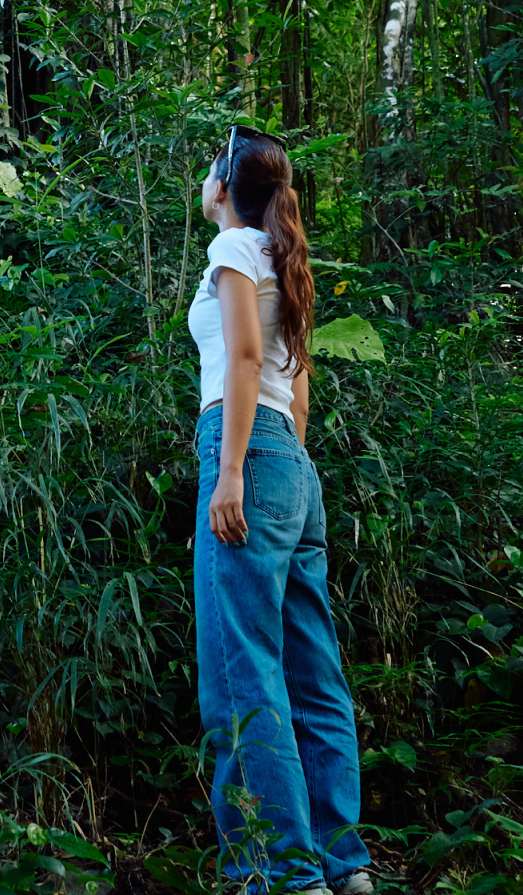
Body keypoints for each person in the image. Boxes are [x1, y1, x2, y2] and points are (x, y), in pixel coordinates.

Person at [191, 125, 371, 895]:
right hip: (293, 467)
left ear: (224, 187)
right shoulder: (284, 257)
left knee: (243, 673)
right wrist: (283, 462)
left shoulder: (233, 247)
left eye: (208, 168)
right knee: (312, 672)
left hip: (246, 454)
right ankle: (343, 867)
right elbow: (296, 388)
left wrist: (234, 469)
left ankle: (283, 876)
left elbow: (242, 359)